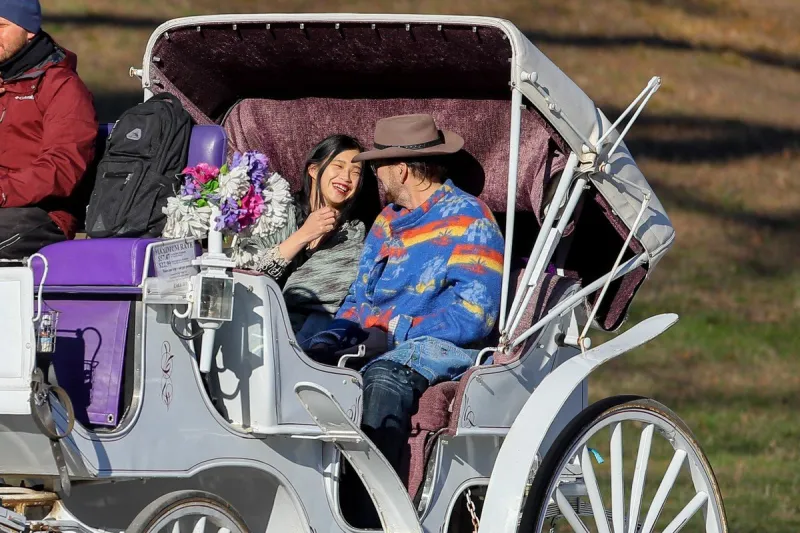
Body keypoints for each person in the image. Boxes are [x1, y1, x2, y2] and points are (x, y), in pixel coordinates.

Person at [309, 114, 504, 480]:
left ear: (400, 170)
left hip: (436, 349)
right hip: (372, 344)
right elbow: (358, 297)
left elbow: (475, 315)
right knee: (307, 366)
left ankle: (370, 503)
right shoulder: (386, 220)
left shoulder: (471, 219)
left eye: (377, 167)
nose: (375, 176)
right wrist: (328, 340)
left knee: (383, 378)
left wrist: (394, 332)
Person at [235, 135, 368, 340]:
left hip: (312, 337)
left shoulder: (352, 235)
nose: (346, 177)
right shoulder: (277, 212)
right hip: (254, 324)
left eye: (355, 172)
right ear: (313, 170)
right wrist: (304, 234)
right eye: (338, 166)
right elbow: (247, 279)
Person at [0, 0, 98, 260]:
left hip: (43, 214)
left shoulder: (63, 88)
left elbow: (62, 167)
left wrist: (3, 191)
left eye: (1, 27)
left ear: (29, 30)